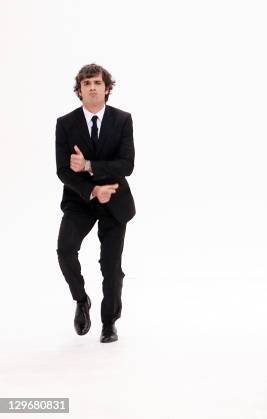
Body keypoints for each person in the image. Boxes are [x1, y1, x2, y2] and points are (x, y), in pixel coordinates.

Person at [55, 63, 136, 343]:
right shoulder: (65, 124)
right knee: (65, 250)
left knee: (111, 266)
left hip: (114, 198)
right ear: (79, 90)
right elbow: (63, 171)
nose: (92, 87)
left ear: (107, 88)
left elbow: (126, 165)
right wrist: (92, 191)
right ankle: (81, 300)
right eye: (86, 83)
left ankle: (109, 322)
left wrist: (89, 165)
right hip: (80, 200)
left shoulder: (123, 120)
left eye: (97, 83)